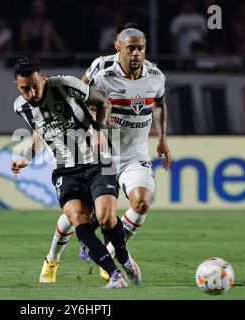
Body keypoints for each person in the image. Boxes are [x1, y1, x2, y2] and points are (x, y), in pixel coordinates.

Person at [40, 27, 171, 284]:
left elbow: (160, 104)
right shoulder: (101, 72)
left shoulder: (156, 76)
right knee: (80, 216)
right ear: (118, 47)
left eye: (141, 48)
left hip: (134, 154)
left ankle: (107, 253)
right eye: (131, 48)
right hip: (102, 155)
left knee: (142, 202)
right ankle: (52, 258)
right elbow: (77, 100)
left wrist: (163, 138)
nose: (136, 53)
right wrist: (96, 118)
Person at [11, 56, 140, 288]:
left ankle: (123, 257)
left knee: (105, 218)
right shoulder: (21, 106)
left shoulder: (66, 85)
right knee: (78, 219)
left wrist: (99, 130)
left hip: (99, 161)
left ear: (43, 78)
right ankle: (115, 275)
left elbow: (103, 103)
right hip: (66, 170)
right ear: (16, 87)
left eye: (35, 86)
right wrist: (26, 157)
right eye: (25, 89)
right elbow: (40, 132)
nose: (32, 93)